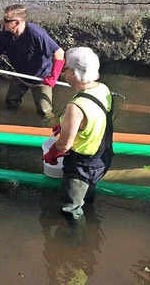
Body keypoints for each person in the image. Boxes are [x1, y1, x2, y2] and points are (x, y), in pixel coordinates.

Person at [42, 47, 113, 223]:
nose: (63, 72)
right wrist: (65, 124)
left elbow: (65, 145)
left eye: (65, 68)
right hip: (102, 156)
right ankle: (92, 229)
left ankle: (77, 244)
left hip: (82, 164)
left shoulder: (76, 106)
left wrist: (52, 153)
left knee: (71, 207)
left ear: (73, 73)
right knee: (87, 196)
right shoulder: (102, 89)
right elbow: (95, 118)